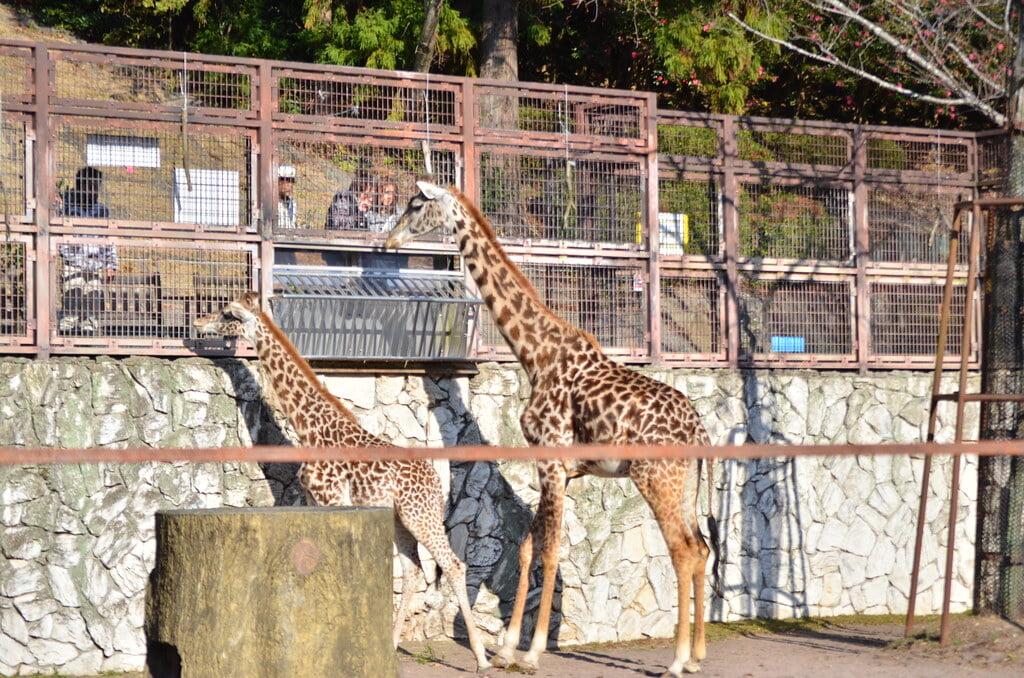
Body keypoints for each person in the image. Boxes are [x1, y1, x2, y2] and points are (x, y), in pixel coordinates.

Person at [57, 167, 117, 335]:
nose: (92, 189)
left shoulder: (102, 210)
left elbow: (109, 238)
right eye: (89, 185)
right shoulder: (67, 206)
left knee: (93, 297)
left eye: (96, 185)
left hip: (95, 263)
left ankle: (89, 329)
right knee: (71, 295)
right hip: (73, 261)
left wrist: (111, 264)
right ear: (79, 185)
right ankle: (67, 329)